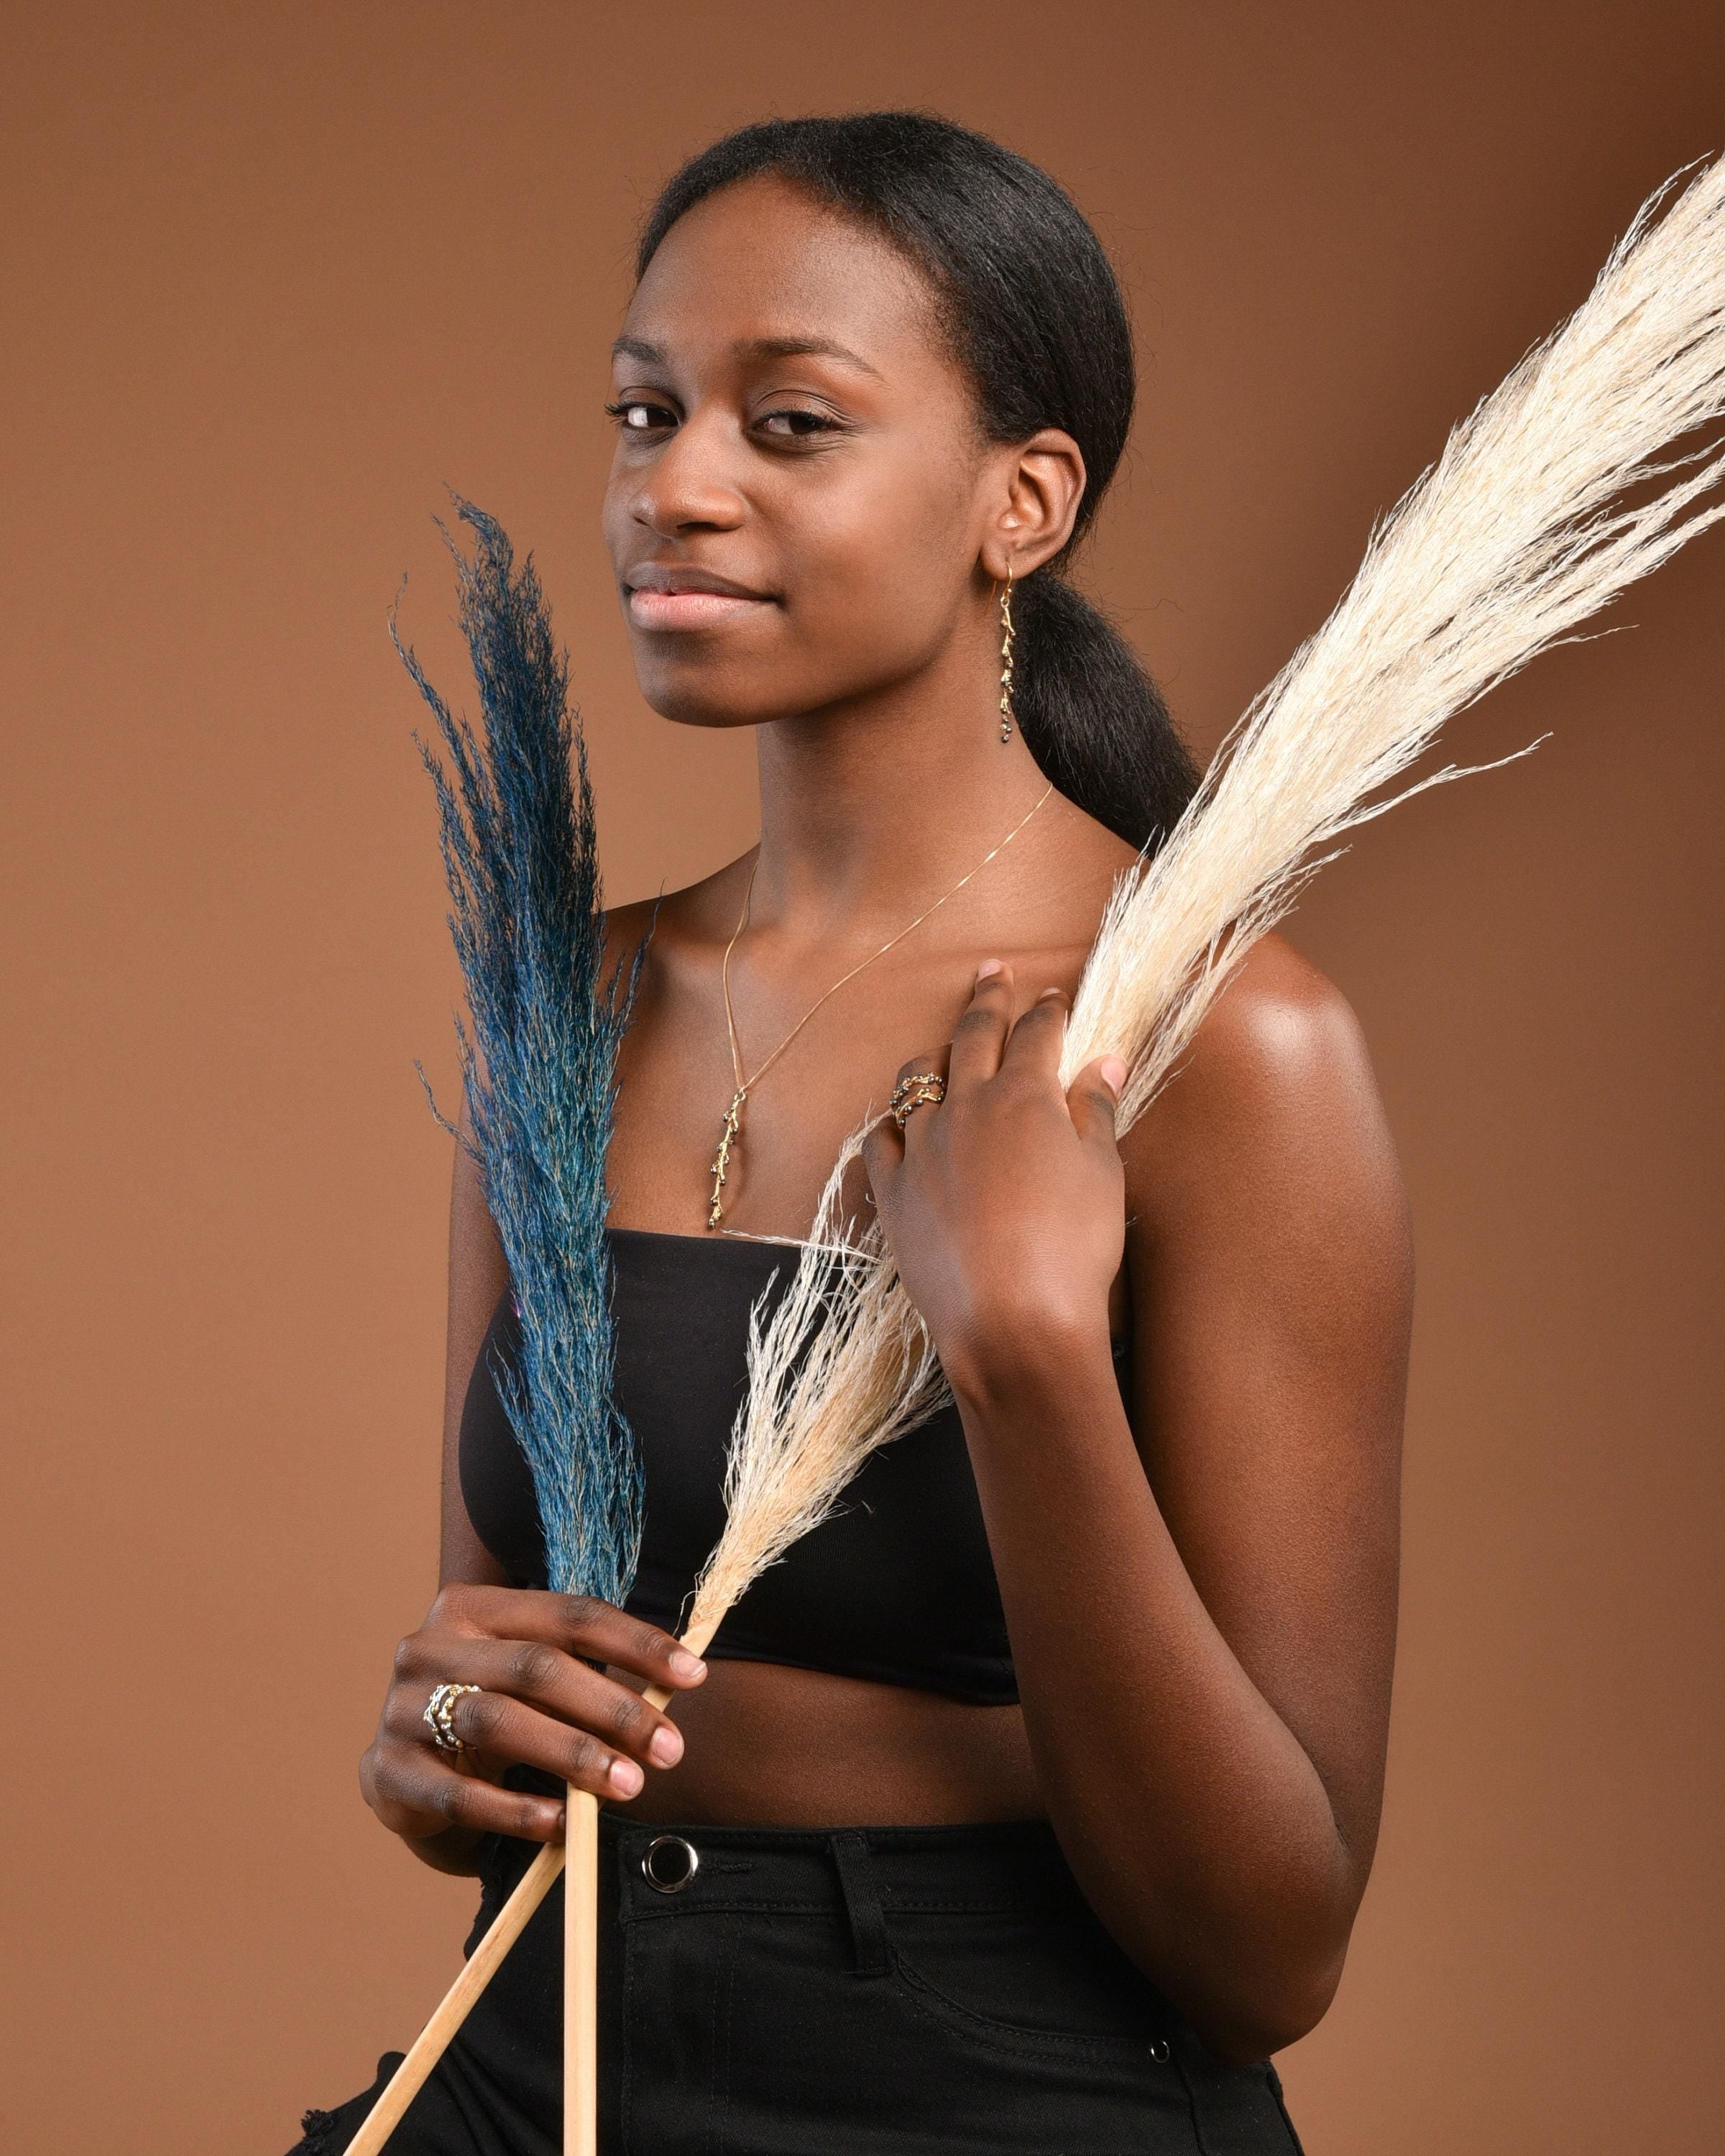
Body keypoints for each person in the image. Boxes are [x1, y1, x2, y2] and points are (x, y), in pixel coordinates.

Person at [290, 111, 1409, 2155]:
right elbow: (486, 1692)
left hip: (1004, 2087)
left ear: (1023, 502)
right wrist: (438, 1734)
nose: (673, 487)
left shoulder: (1228, 1048)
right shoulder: (572, 1002)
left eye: (789, 425)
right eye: (645, 411)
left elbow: (1271, 1955)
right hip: (547, 2059)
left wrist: (1028, 1360)